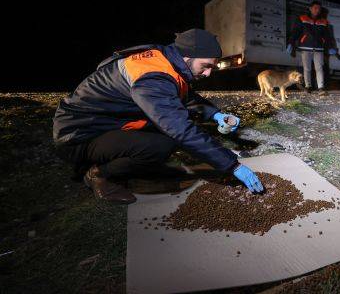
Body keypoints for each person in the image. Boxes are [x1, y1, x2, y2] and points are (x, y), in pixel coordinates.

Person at [53, 29, 264, 204]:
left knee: (164, 130)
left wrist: (217, 114)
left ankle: (127, 164)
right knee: (163, 144)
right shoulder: (152, 78)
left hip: (103, 123)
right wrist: (232, 165)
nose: (208, 73)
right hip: (78, 135)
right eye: (206, 66)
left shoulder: (166, 59)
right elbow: (180, 129)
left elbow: (183, 95)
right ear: (188, 58)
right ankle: (99, 173)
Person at [286, 0, 338, 96]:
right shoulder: (302, 18)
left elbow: (327, 36)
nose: (317, 10)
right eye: (315, 8)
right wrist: (291, 43)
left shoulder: (324, 22)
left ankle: (321, 88)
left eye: (319, 8)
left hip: (319, 49)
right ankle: (308, 86)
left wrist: (331, 47)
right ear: (310, 9)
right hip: (305, 48)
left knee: (319, 68)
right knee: (307, 68)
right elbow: (295, 32)